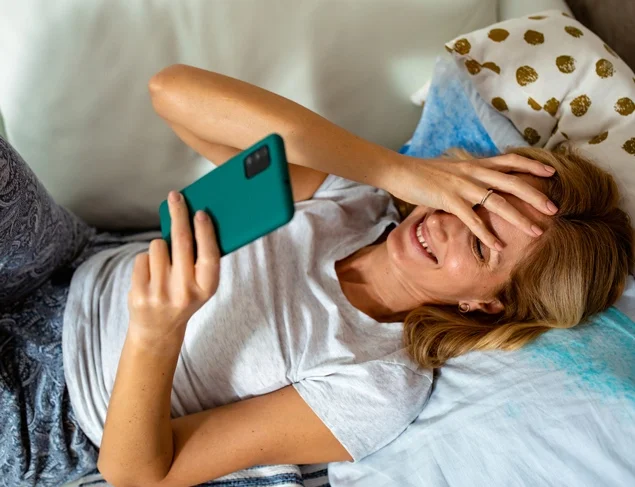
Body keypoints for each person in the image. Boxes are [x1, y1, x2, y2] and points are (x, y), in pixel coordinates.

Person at [0, 64, 631, 487]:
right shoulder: (352, 197)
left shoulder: (377, 384)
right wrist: (394, 171)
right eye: (471, 202)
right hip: (65, 264)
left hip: (56, 410)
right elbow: (173, 92)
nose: (442, 224)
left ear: (486, 306)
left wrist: (155, 334)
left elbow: (141, 474)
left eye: (481, 243)